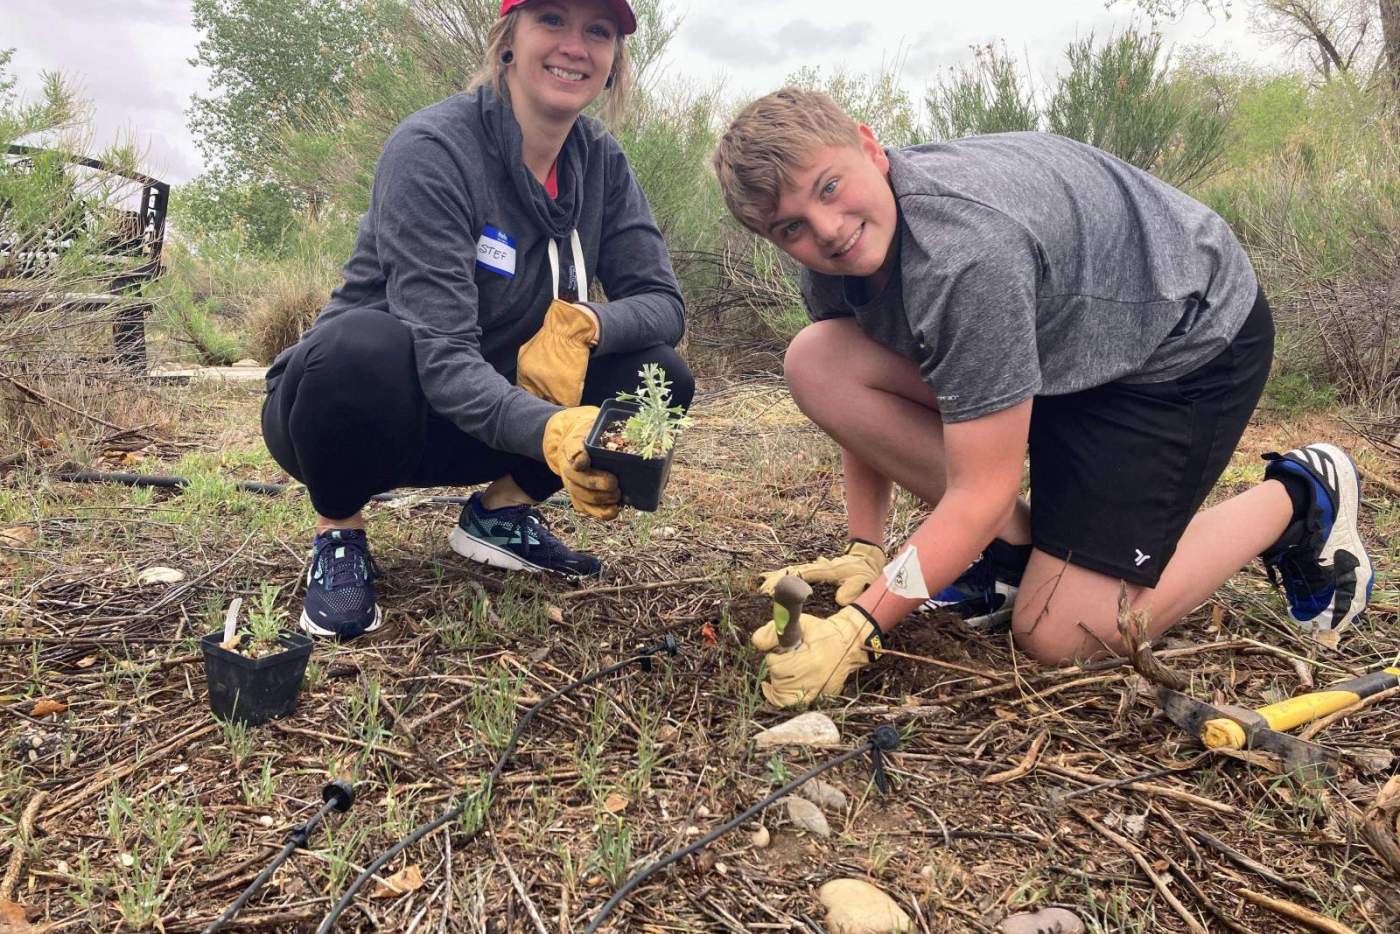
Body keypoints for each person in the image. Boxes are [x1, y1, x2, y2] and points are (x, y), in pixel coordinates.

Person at [713, 87, 1373, 707]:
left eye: (830, 187)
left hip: (1179, 342)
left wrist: (862, 627)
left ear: (870, 146)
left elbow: (982, 490)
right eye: (791, 228)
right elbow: (867, 396)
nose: (825, 230)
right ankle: (1010, 564)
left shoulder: (965, 255)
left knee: (1061, 637)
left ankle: (1301, 496)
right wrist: (866, 546)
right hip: (1064, 342)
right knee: (819, 359)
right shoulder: (840, 259)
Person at [262, 0, 692, 641]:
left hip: (489, 417)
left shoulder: (601, 161)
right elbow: (441, 355)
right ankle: (339, 532)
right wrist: (552, 429)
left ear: (613, 62)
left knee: (660, 376)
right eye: (552, 20)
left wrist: (586, 325)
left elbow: (662, 301)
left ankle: (499, 515)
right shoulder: (433, 149)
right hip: (360, 414)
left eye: (597, 31)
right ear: (508, 39)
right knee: (358, 347)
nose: (575, 45)